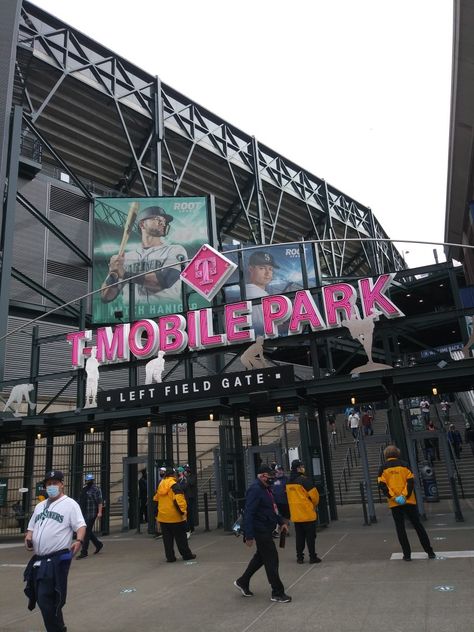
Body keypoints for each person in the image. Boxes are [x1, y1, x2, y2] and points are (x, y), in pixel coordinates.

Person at [23, 470, 86, 632]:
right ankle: (59, 627)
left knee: (45, 597)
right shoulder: (39, 506)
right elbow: (31, 528)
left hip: (57, 557)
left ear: (62, 484)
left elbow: (80, 525)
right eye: (48, 484)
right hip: (39, 559)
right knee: (46, 597)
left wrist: (79, 540)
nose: (51, 486)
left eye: (55, 483)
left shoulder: (70, 504)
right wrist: (29, 539)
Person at [100, 205, 187, 308]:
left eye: (164, 221)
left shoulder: (175, 250)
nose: (163, 223)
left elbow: (165, 280)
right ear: (142, 224)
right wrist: (113, 273)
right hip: (132, 317)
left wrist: (125, 274)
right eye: (157, 219)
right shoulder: (126, 258)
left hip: (166, 314)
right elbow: (106, 297)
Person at [234, 464, 291, 603]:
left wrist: (281, 522)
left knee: (260, 557)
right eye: (269, 475)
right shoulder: (255, 489)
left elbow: (272, 509)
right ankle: (277, 592)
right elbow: (249, 513)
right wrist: (249, 535)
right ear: (262, 476)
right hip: (260, 530)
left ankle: (243, 581)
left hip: (266, 527)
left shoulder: (266, 489)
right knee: (271, 559)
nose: (272, 477)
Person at [377, 446, 436, 561]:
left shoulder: (382, 468)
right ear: (397, 453)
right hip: (409, 501)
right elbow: (410, 482)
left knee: (400, 528)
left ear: (386, 455)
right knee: (418, 526)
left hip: (395, 503)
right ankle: (430, 552)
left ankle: (407, 555)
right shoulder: (405, 465)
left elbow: (382, 485)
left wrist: (394, 497)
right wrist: (404, 495)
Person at [156, 467, 195, 562]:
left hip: (163, 517)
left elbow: (155, 499)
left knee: (167, 540)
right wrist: (183, 512)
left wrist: (157, 514)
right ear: (173, 475)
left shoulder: (161, 484)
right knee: (181, 538)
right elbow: (179, 500)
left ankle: (170, 557)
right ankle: (186, 555)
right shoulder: (174, 485)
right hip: (175, 517)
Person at [286, 459, 321, 564]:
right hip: (307, 514)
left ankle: (300, 557)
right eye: (301, 466)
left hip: (296, 515)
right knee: (310, 537)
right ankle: (312, 557)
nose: (303, 468)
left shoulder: (288, 481)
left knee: (299, 537)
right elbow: (315, 496)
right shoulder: (304, 480)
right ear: (298, 468)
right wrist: (313, 505)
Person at [245, 251, 279, 334]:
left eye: (270, 269)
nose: (267, 273)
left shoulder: (261, 293)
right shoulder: (251, 293)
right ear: (250, 269)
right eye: (262, 268)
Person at [77, 473, 103, 559]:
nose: (88, 482)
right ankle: (98, 544)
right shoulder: (84, 490)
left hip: (92, 513)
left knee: (86, 533)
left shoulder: (96, 490)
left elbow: (99, 502)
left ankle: (84, 552)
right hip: (83, 513)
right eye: (87, 480)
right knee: (88, 531)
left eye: (90, 480)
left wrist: (99, 512)